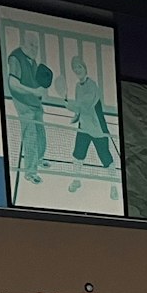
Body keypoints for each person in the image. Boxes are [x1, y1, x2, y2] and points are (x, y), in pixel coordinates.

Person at [4, 31, 51, 189]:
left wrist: (40, 92)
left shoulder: (33, 61)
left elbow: (35, 82)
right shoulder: (15, 58)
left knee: (40, 131)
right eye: (31, 45)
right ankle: (30, 172)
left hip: (35, 102)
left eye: (36, 45)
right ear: (23, 43)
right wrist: (34, 92)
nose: (34, 48)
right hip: (23, 102)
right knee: (30, 135)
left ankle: (39, 158)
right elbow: (13, 84)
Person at [65, 54, 113, 196]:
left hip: (97, 128)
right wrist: (75, 117)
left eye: (79, 66)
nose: (77, 70)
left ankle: (114, 186)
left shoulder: (92, 85)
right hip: (83, 127)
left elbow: (85, 105)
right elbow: (80, 108)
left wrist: (70, 106)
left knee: (106, 158)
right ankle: (76, 180)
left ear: (84, 68)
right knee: (77, 155)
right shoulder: (77, 86)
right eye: (75, 68)